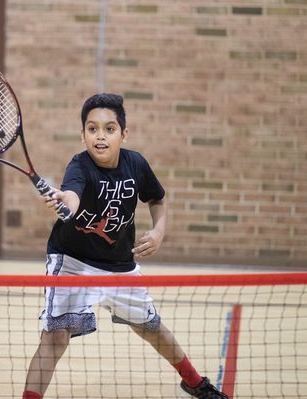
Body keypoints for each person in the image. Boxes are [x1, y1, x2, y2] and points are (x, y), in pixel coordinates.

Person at [22, 93, 228, 399]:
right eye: (92, 129)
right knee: (55, 337)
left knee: (151, 328)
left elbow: (156, 198)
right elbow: (73, 194)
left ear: (123, 133)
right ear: (83, 135)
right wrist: (67, 199)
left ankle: (194, 381)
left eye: (109, 128)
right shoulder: (79, 167)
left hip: (120, 264)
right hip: (73, 262)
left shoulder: (136, 164)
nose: (100, 136)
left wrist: (159, 230)